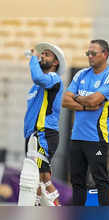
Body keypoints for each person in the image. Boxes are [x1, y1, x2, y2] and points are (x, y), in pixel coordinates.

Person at [62, 39, 109, 206]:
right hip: (77, 136)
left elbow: (95, 99)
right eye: (88, 53)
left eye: (94, 53)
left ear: (105, 54)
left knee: (100, 180)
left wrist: (77, 97)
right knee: (77, 181)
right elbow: (65, 101)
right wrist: (85, 105)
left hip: (96, 137)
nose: (90, 56)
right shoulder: (81, 74)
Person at [19, 42, 66, 206]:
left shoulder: (54, 78)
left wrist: (32, 58)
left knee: (44, 177)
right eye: (42, 54)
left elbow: (38, 76)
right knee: (35, 178)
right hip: (33, 135)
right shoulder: (35, 87)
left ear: (55, 62)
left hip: (44, 133)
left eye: (47, 55)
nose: (42, 56)